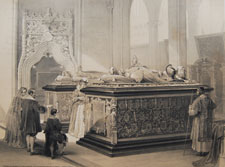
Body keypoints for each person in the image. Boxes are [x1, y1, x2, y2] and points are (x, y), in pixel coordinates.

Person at [189, 87, 216, 156]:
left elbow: (195, 112)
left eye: (197, 90)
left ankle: (201, 151)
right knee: (206, 134)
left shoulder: (198, 100)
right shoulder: (208, 99)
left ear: (200, 91)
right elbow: (214, 106)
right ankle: (206, 150)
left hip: (199, 120)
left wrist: (190, 109)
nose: (197, 92)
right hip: (207, 121)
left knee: (199, 134)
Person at [20, 88, 42, 155]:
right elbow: (37, 111)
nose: (35, 95)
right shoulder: (34, 102)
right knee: (32, 135)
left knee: (27, 134)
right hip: (32, 120)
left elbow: (22, 110)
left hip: (25, 120)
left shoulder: (24, 101)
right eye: (34, 93)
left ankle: (28, 147)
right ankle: (32, 150)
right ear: (31, 94)